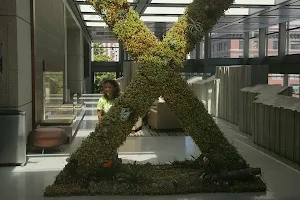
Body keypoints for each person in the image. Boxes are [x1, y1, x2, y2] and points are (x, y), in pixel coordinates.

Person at [96, 79, 121, 168]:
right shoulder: (102, 99)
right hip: (106, 125)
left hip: (116, 124)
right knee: (106, 143)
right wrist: (103, 123)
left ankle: (113, 161)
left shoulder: (119, 98)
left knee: (113, 144)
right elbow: (99, 113)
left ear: (114, 88)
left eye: (109, 87)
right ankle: (107, 161)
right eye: (105, 87)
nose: (107, 89)